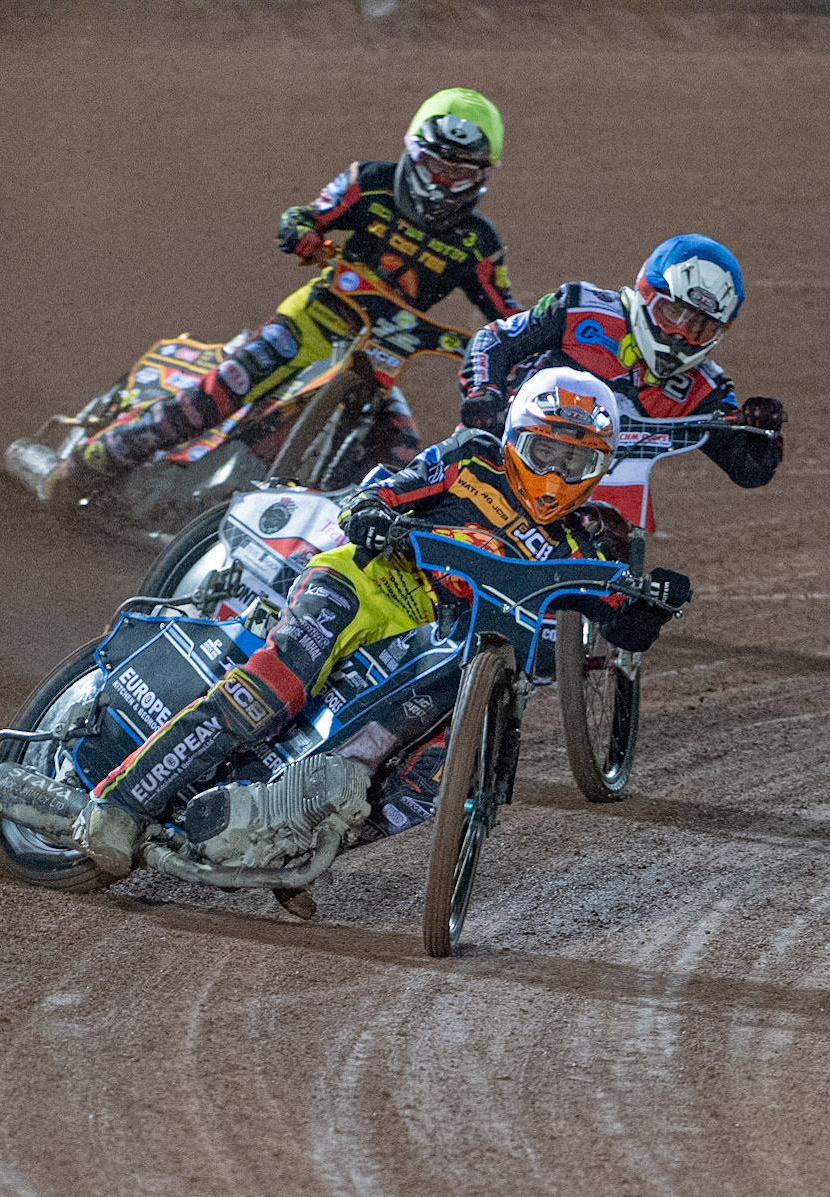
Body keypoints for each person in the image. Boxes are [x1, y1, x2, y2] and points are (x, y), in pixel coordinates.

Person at [64, 367, 692, 876]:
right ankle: (120, 803)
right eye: (544, 450)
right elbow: (388, 489)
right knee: (277, 684)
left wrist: (653, 603)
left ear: (600, 472)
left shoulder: (579, 550)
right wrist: (371, 511)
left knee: (428, 786)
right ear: (514, 439)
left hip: (443, 650)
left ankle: (294, 848)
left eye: (576, 463)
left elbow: (623, 626)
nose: (555, 475)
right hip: (364, 584)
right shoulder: (471, 459)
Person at [43, 87, 525, 507]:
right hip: (312, 322)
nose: (441, 184)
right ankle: (94, 460)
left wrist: (530, 348)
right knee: (220, 391)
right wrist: (302, 230)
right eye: (435, 166)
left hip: (382, 357)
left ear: (481, 177)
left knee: (399, 453)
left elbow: (506, 314)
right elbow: (309, 214)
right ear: (413, 152)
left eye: (456, 174)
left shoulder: (478, 243)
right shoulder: (368, 181)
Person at [458, 234, 785, 488]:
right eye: (673, 314)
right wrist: (484, 394)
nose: (680, 335)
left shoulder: (703, 388)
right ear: (647, 294)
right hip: (499, 463)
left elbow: (750, 471)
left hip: (594, 507)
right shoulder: (578, 308)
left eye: (700, 327)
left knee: (622, 545)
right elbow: (494, 340)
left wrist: (762, 430)